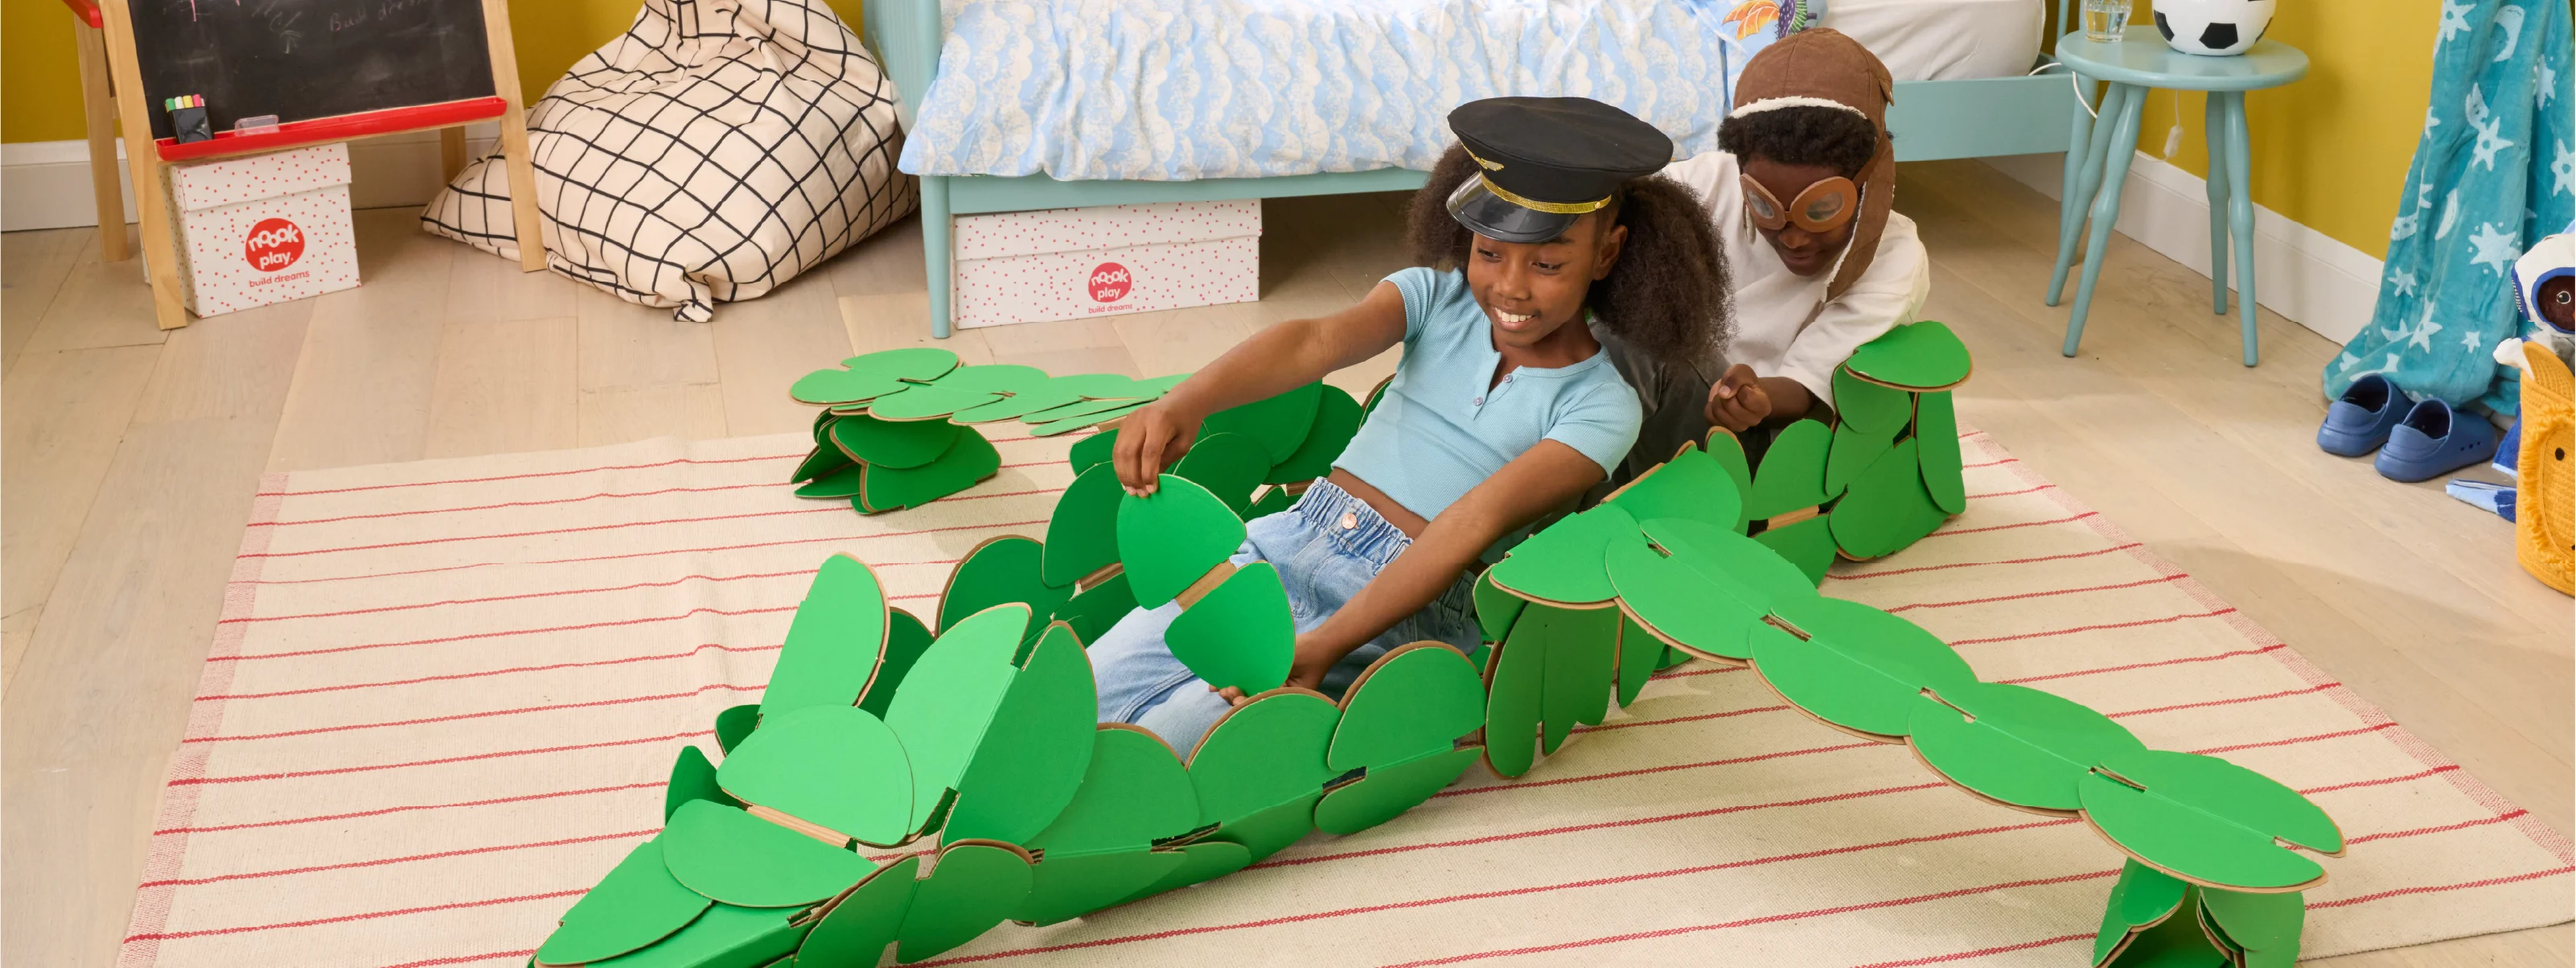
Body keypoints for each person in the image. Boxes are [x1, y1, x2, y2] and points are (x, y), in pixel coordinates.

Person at [1090, 97, 1728, 755]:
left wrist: (1326, 646)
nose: (1510, 286)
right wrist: (1184, 402)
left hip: (1395, 607)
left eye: (1546, 264)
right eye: (1489, 253)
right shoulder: (1432, 296)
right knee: (1090, 686)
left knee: (1178, 742)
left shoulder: (1602, 406)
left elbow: (1469, 525)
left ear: (1606, 253)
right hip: (1282, 544)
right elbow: (1311, 342)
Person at [1596, 28, 1931, 482]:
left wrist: (1754, 397)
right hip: (1652, 414)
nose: (1792, 238)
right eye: (1764, 206)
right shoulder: (1707, 185)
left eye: (1822, 208)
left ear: (1866, 181)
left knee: (1637, 344)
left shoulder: (1894, 259)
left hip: (1757, 442)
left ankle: (1560, 502)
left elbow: (1808, 385)